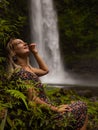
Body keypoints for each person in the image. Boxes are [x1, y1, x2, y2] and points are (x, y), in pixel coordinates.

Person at [6, 38, 88, 130]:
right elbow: (32, 99)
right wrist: (55, 109)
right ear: (13, 52)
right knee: (82, 106)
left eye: (24, 42)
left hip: (48, 109)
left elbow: (45, 70)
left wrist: (35, 52)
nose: (25, 43)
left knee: (81, 106)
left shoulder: (28, 69)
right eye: (19, 43)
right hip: (45, 116)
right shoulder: (21, 73)